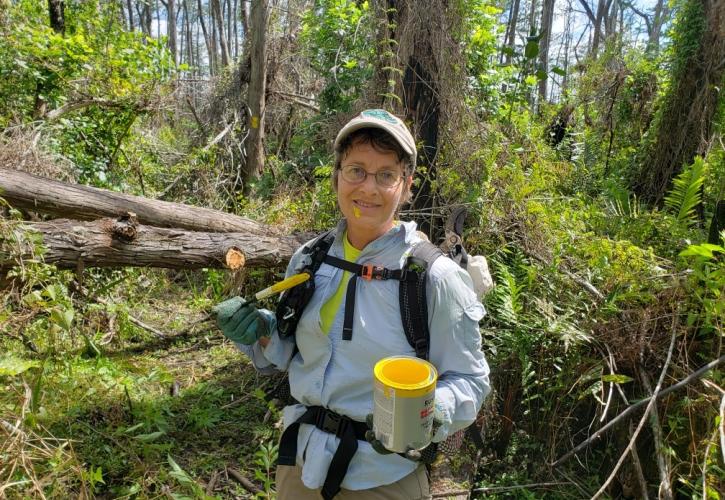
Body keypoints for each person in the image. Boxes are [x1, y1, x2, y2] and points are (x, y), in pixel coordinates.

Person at [213, 109, 490, 500]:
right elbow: (290, 353)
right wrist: (260, 331)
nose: (368, 188)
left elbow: (471, 380)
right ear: (337, 176)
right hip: (302, 466)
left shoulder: (433, 277)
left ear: (407, 185)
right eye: (356, 170)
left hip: (384, 474)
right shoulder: (311, 259)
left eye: (386, 175)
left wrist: (435, 411)